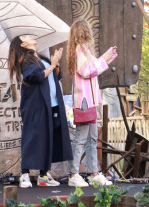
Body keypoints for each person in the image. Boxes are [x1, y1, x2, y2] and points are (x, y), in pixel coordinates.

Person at [8, 35, 73, 188]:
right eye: (26, 37)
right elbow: (36, 76)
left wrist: (55, 65)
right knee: (32, 137)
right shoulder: (26, 60)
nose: (31, 36)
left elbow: (57, 76)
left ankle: (43, 175)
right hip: (35, 105)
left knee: (48, 138)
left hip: (51, 103)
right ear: (24, 44)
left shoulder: (41, 57)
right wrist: (51, 66)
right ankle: (25, 175)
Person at [66, 19, 118, 187]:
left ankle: (93, 173)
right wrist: (104, 60)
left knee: (91, 138)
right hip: (84, 100)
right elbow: (88, 71)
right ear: (85, 32)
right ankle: (74, 174)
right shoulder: (79, 51)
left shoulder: (83, 51)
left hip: (89, 100)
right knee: (82, 138)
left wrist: (106, 57)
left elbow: (94, 66)